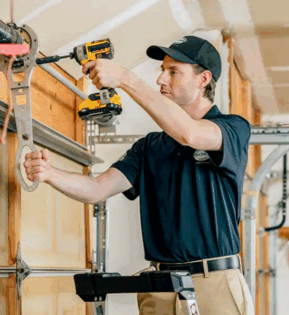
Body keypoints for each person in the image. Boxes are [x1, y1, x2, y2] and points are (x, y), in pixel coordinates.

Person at [24, 35, 253, 315]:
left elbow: (189, 133)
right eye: (162, 70)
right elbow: (97, 189)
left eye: (173, 71)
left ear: (203, 79)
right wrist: (49, 173)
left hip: (215, 284)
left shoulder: (232, 129)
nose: (161, 80)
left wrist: (125, 78)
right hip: (160, 286)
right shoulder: (149, 147)